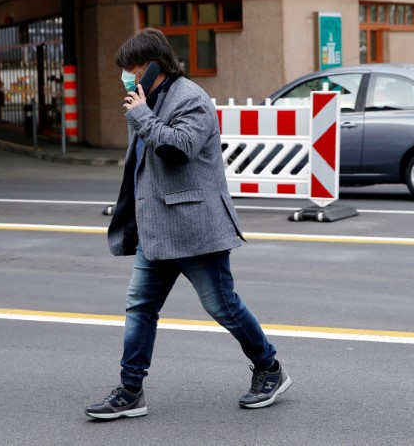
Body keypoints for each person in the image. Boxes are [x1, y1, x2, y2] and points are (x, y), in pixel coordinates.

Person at [85, 28, 291, 420]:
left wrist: (141, 115)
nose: (126, 75)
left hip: (196, 227)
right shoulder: (147, 100)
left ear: (154, 66)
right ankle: (130, 390)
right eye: (124, 69)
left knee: (223, 306)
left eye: (132, 67)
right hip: (155, 229)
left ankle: (270, 369)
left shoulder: (191, 98)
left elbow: (177, 149)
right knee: (140, 307)